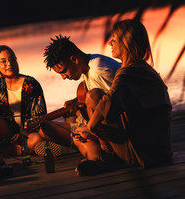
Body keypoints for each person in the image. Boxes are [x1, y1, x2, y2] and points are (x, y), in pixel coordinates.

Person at [73, 19, 172, 175]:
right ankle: (108, 155)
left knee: (94, 95)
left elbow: (107, 104)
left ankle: (108, 157)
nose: (110, 43)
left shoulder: (127, 74)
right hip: (160, 150)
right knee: (96, 109)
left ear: (126, 43)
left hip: (144, 154)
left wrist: (91, 128)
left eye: (114, 39)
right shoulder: (144, 69)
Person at [36, 35, 120, 155]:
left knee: (74, 131)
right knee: (46, 129)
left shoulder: (99, 70)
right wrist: (76, 102)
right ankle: (75, 145)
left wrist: (90, 131)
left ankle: (94, 149)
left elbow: (117, 103)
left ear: (74, 60)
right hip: (95, 125)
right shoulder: (88, 66)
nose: (63, 77)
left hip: (110, 130)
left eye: (63, 71)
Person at [0, 45, 47, 155]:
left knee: (37, 140)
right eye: (3, 61)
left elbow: (40, 117)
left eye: (11, 59)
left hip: (28, 133)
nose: (9, 64)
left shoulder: (31, 83)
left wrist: (23, 133)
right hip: (5, 133)